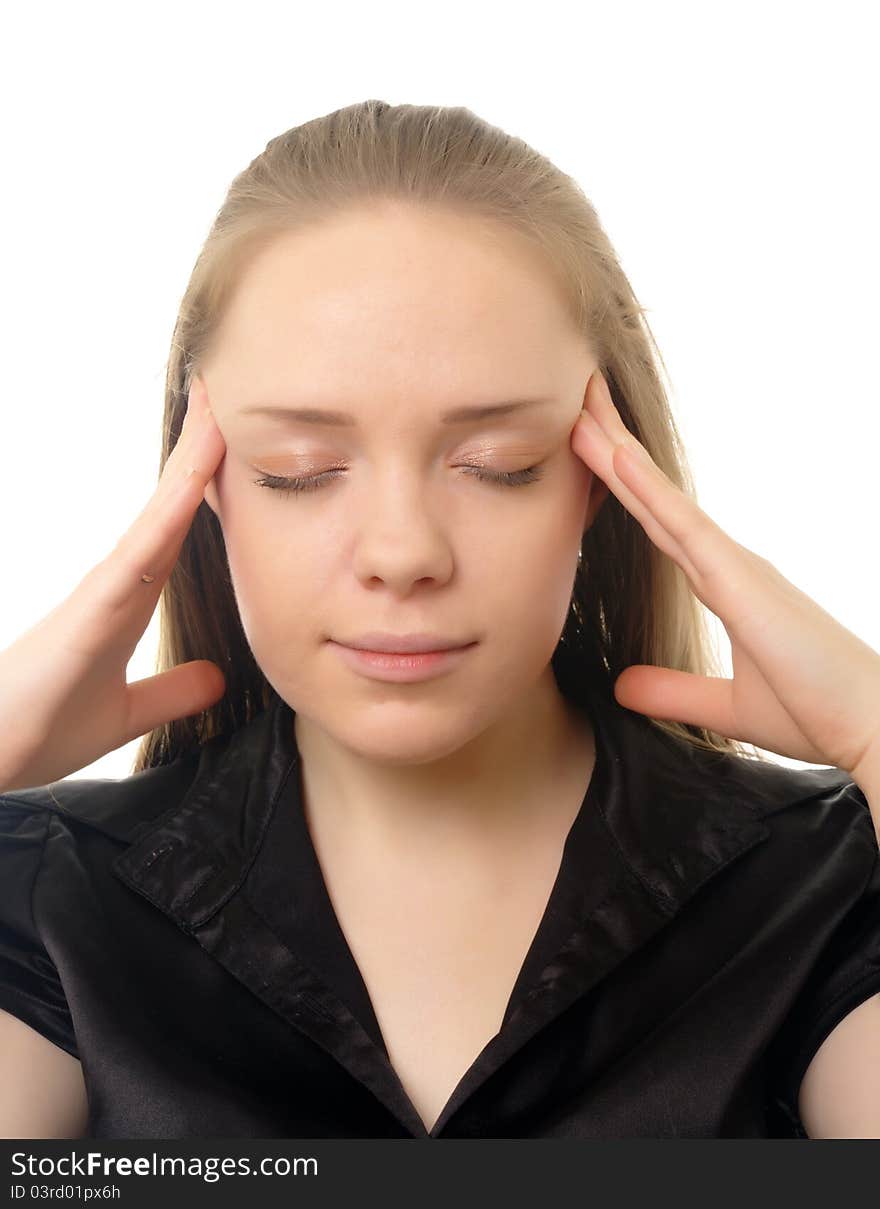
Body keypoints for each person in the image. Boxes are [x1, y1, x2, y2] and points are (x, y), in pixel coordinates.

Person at [1, 99, 879, 1141]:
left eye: (495, 466)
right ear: (208, 488)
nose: (404, 553)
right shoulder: (51, 899)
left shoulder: (822, 882)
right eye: (302, 471)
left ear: (598, 483)